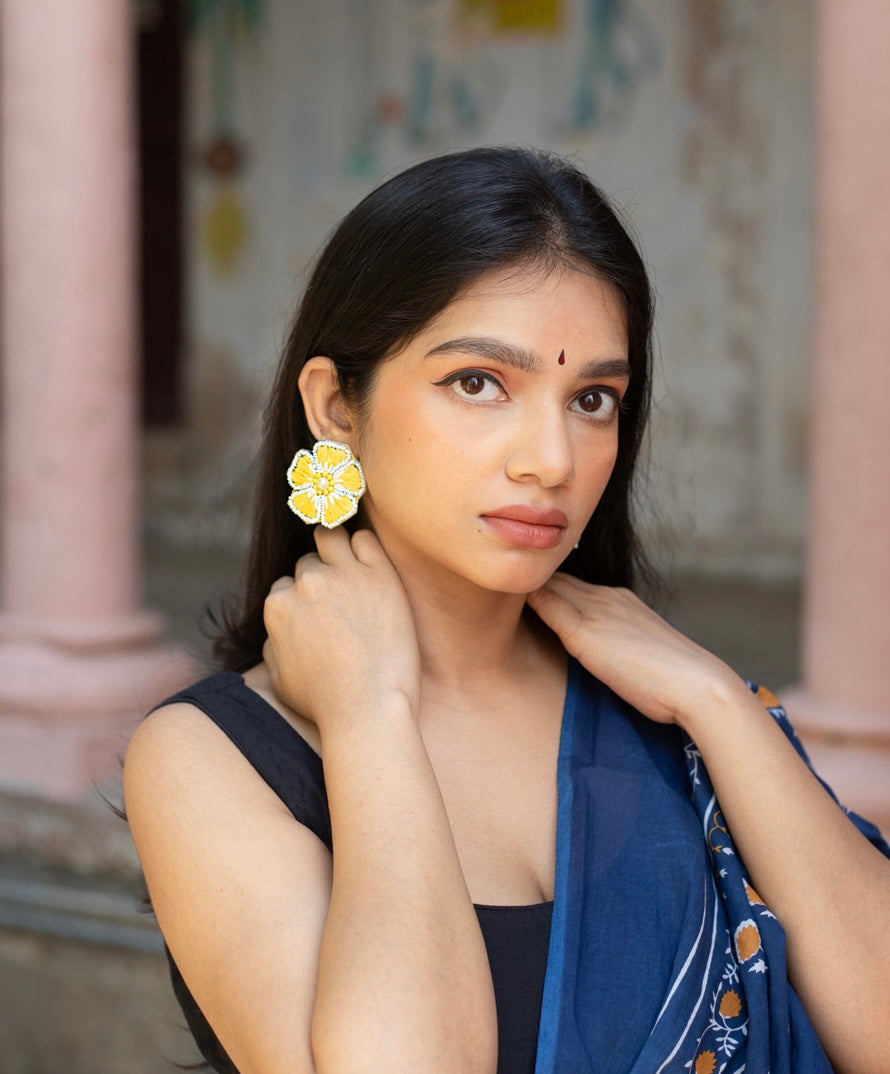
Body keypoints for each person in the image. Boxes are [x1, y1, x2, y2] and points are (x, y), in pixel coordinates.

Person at [124, 147, 890, 1074]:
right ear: (336, 408)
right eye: (479, 382)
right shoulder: (215, 758)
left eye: (593, 399)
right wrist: (372, 715)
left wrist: (717, 701)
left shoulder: (663, 712)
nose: (552, 460)